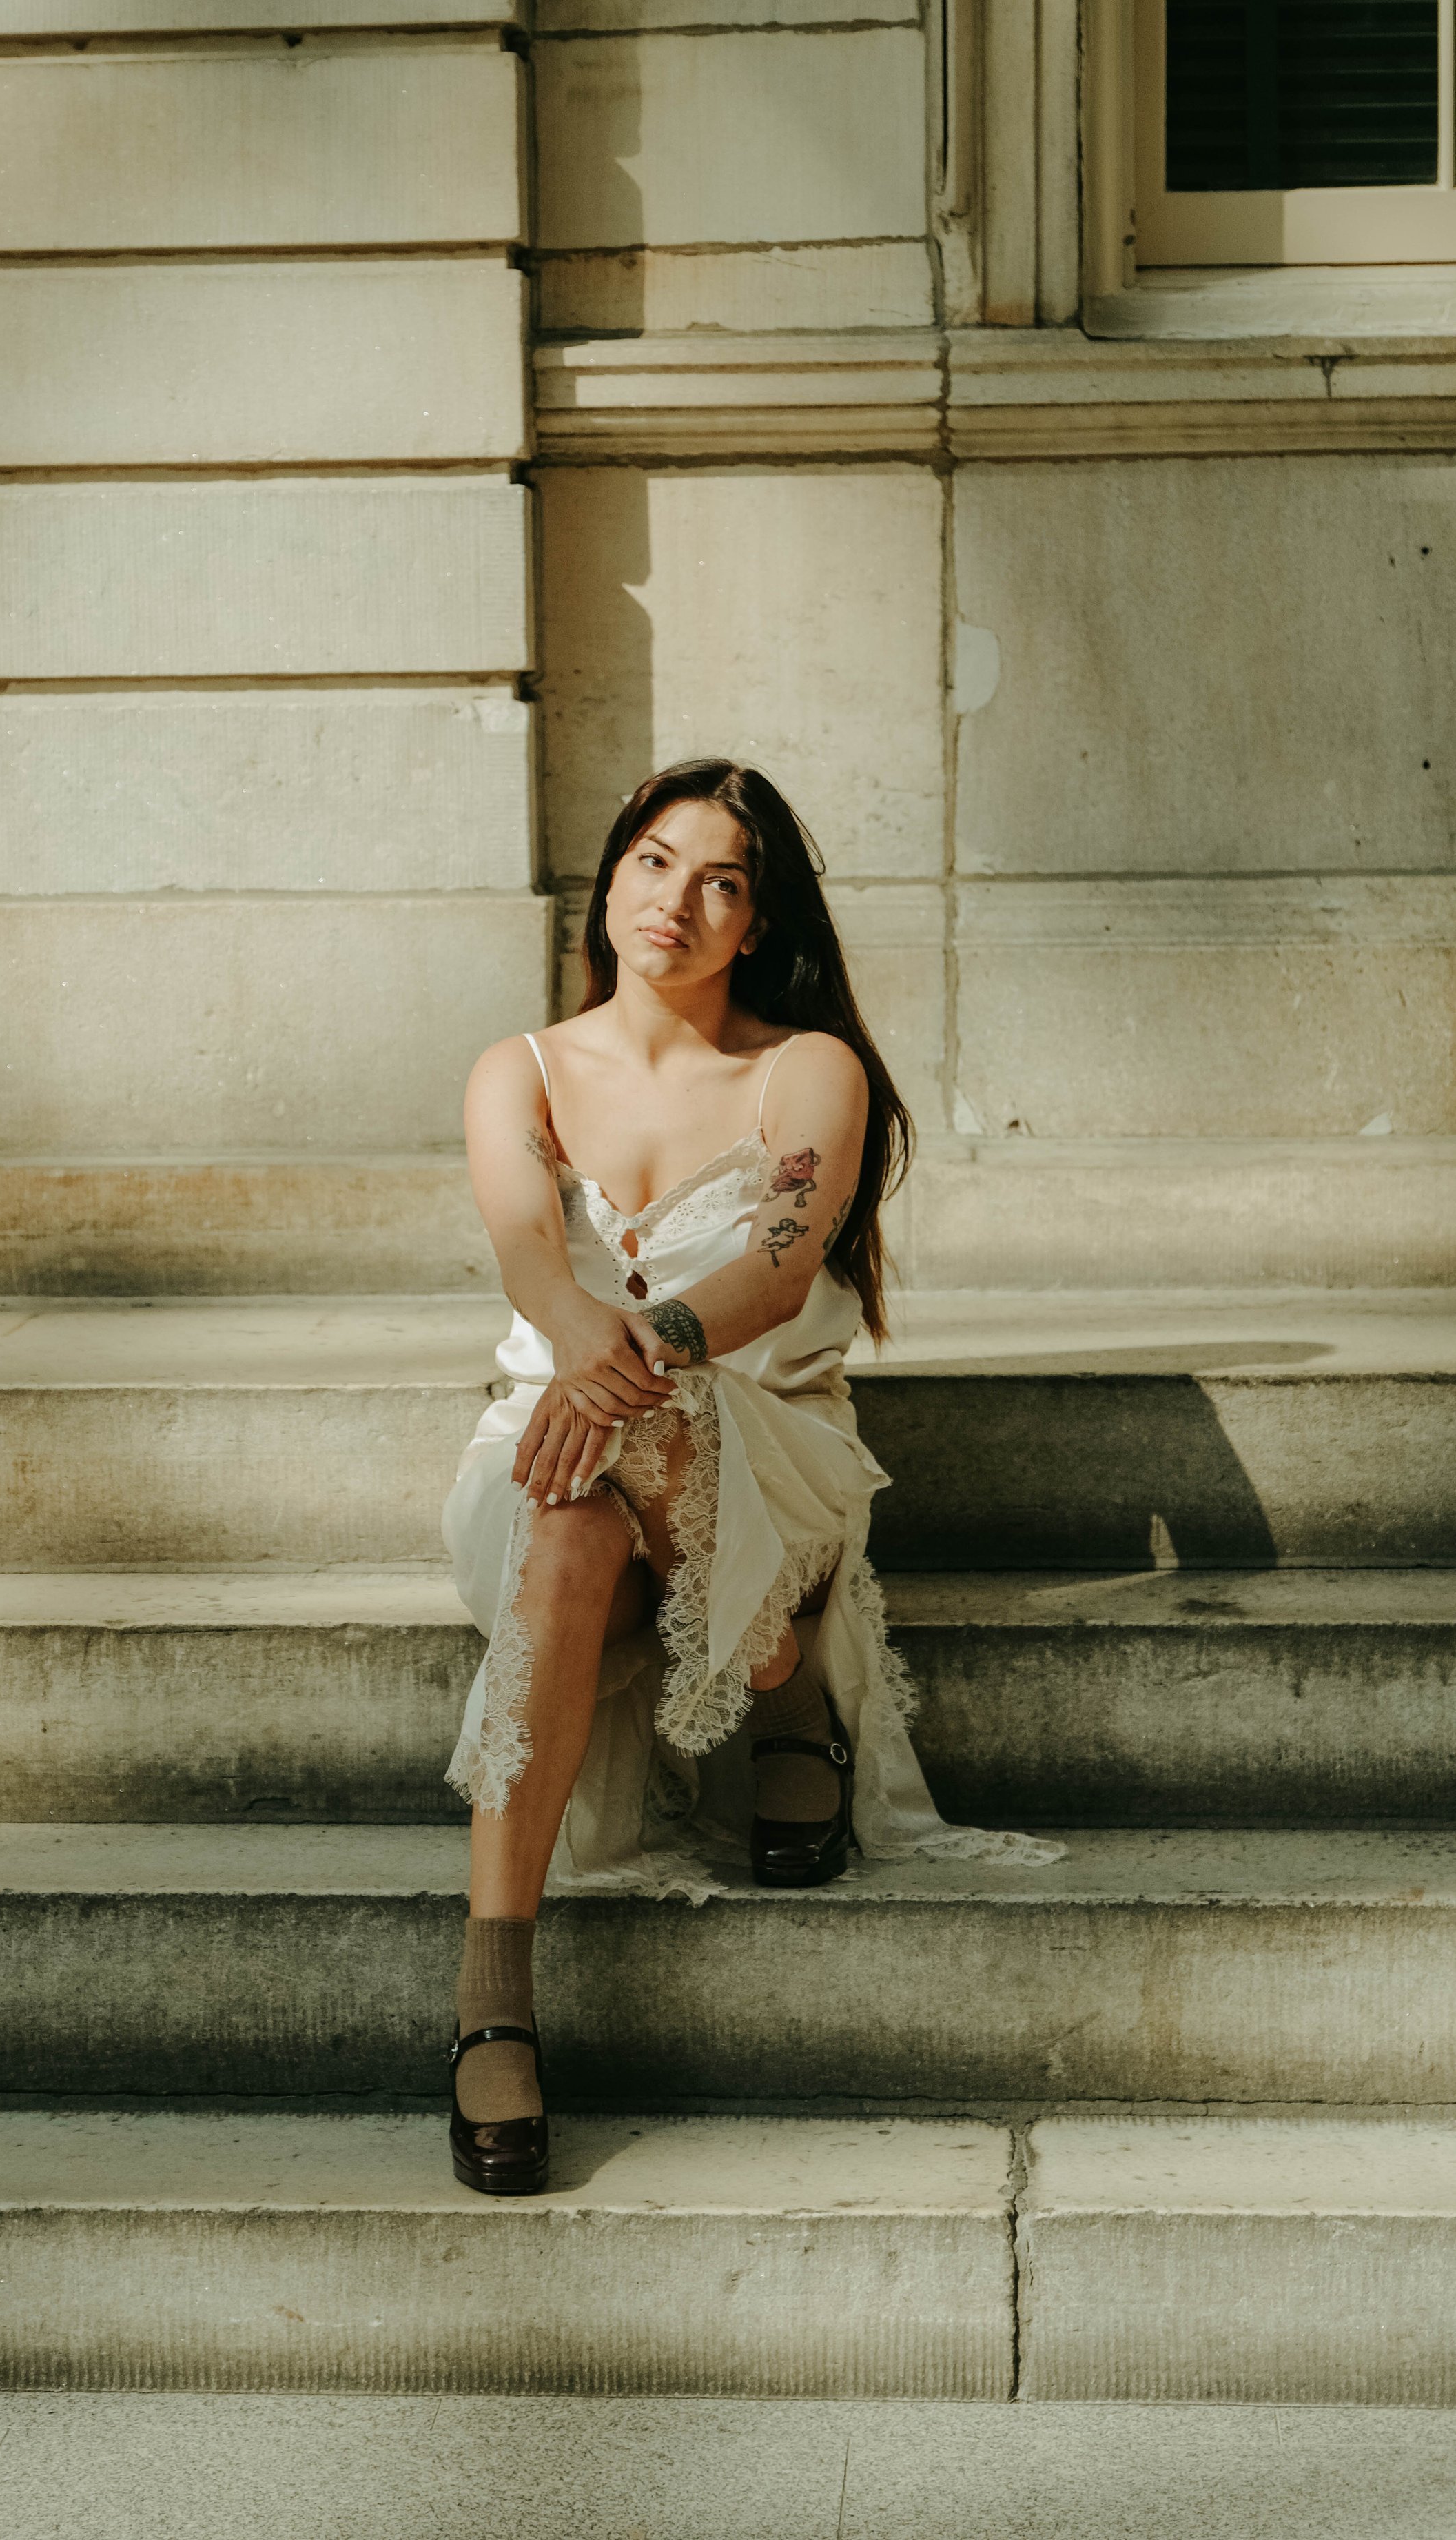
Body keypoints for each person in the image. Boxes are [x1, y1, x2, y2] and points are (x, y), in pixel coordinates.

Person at [441, 759, 1060, 2196]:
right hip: (542, 1448)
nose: (678, 900)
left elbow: (777, 1273)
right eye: (655, 862)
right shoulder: (514, 1072)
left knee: (638, 1439)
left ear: (755, 920)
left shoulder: (807, 1070)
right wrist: (592, 1370)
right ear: (611, 880)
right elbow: (532, 1251)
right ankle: (507, 1975)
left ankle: (497, 2001)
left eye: (721, 879)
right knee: (571, 1526)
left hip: (763, 1442)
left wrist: (638, 1350)